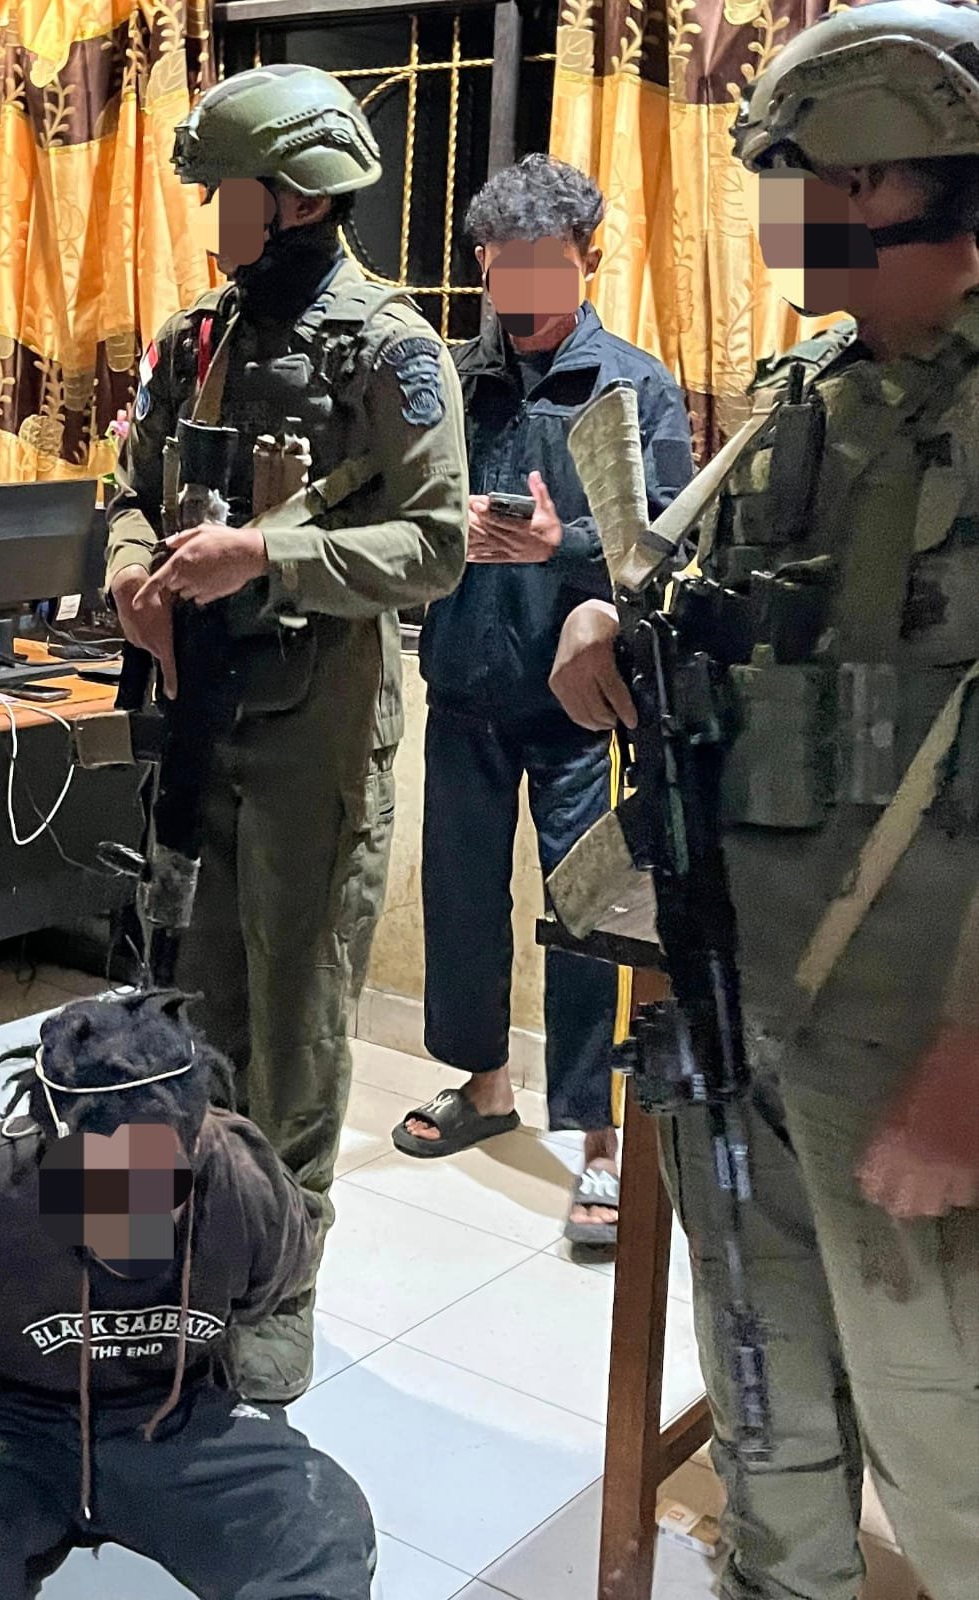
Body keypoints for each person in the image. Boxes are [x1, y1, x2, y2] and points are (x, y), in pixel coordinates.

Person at [548, 4, 979, 1593]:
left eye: (806, 180)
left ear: (892, 183)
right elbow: (715, 611)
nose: (780, 218)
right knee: (766, 1395)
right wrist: (606, 626)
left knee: (947, 1437)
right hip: (746, 988)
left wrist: (968, 1066)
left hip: (923, 1034)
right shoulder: (811, 390)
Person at [105, 64, 468, 1401]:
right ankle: (186, 1249)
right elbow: (126, 487)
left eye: (230, 193)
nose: (214, 216)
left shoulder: (392, 349)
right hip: (194, 710)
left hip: (314, 727)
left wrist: (266, 554)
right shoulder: (194, 337)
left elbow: (436, 547)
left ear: (298, 197)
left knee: (296, 1013)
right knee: (189, 998)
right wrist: (132, 575)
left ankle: (280, 1281)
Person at [395, 155, 696, 1248]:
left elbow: (669, 550)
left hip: (582, 708)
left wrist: (558, 544)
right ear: (482, 263)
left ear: (587, 261)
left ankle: (598, 1142)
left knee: (586, 922)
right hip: (461, 685)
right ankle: (483, 1087)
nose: (521, 287)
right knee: (460, 899)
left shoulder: (634, 387)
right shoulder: (448, 382)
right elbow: (404, 511)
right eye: (503, 265)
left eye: (545, 266)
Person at [0, 992, 376, 1600]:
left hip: (172, 1421)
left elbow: (268, 1293)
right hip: (1, 1422)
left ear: (194, 1146)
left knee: (321, 1522)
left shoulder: (248, 1190)